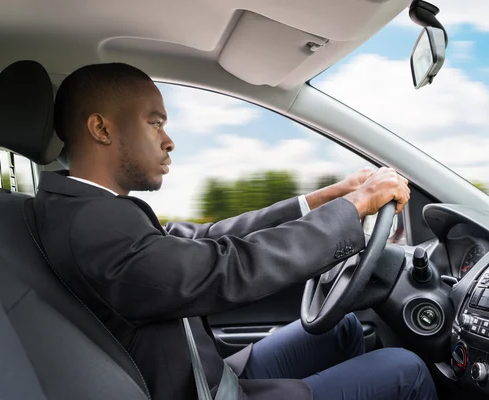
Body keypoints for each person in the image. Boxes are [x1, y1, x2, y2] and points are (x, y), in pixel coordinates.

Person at [33, 63, 437, 400]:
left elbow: (205, 240)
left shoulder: (88, 209)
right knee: (406, 370)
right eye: (154, 123)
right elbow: (224, 268)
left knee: (343, 326)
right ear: (101, 130)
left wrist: (329, 198)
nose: (168, 140)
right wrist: (353, 209)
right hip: (199, 391)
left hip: (201, 372)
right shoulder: (90, 225)